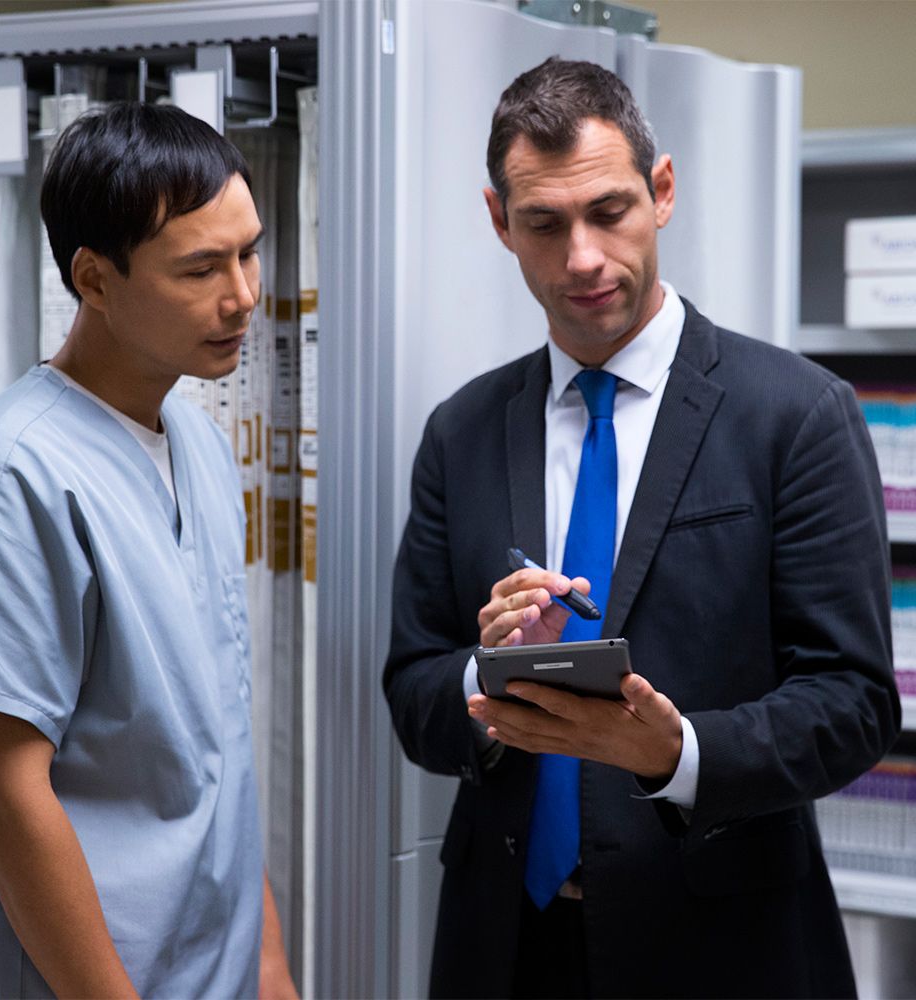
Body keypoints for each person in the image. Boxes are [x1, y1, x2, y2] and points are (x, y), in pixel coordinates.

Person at [383, 57, 900, 999]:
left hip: (722, 943)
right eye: (544, 223)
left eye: (609, 211)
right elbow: (413, 687)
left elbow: (853, 703)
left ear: (661, 193)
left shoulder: (797, 414)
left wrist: (676, 754)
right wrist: (486, 672)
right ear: (501, 223)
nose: (582, 257)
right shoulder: (461, 432)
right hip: (504, 944)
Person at [0, 102, 296, 999]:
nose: (243, 296)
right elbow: (3, 791)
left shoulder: (196, 444)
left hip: (214, 971)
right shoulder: (11, 476)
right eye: (202, 268)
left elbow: (216, 751)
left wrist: (270, 963)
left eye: (249, 253)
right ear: (93, 278)